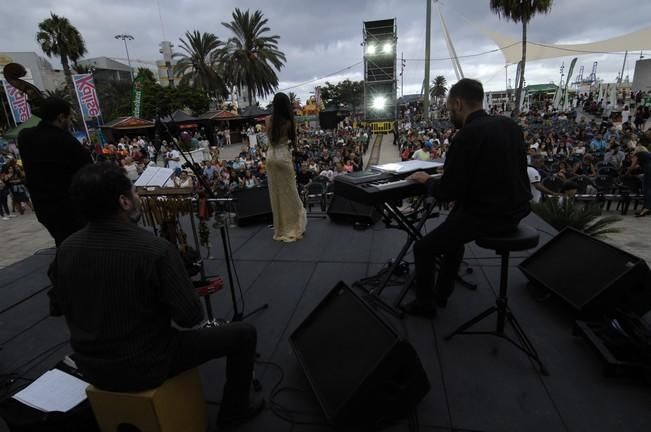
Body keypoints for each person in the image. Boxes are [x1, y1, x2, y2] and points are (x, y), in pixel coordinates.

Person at [48, 162, 263, 428]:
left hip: (91, 366)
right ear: (124, 202)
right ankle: (233, 414)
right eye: (134, 192)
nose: (138, 196)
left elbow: (56, 305)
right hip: (146, 364)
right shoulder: (154, 249)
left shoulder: (66, 249)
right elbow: (190, 316)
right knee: (243, 334)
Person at [403, 78, 532, 317]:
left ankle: (425, 305)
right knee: (453, 237)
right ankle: (441, 293)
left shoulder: (467, 135)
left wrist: (427, 180)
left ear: (459, 103)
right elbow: (494, 171)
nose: (450, 113)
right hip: (516, 210)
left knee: (424, 248)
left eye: (450, 108)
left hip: (487, 216)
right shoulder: (509, 126)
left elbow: (447, 192)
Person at [17, 97, 92, 246]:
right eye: (69, 118)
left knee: (63, 244)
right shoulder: (67, 142)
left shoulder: (25, 137)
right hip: (69, 209)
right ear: (61, 117)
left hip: (43, 208)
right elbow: (88, 171)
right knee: (78, 247)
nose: (70, 122)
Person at [265, 93, 307, 242]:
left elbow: (270, 139)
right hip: (283, 157)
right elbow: (293, 143)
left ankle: (280, 228)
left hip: (270, 157)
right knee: (290, 192)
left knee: (276, 194)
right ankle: (294, 225)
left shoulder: (268, 120)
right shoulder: (289, 122)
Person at [630, 146, 651, 217]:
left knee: (647, 190)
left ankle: (646, 208)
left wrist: (627, 172)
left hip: (649, 172)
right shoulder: (648, 154)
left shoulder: (638, 154)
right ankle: (648, 208)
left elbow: (632, 166)